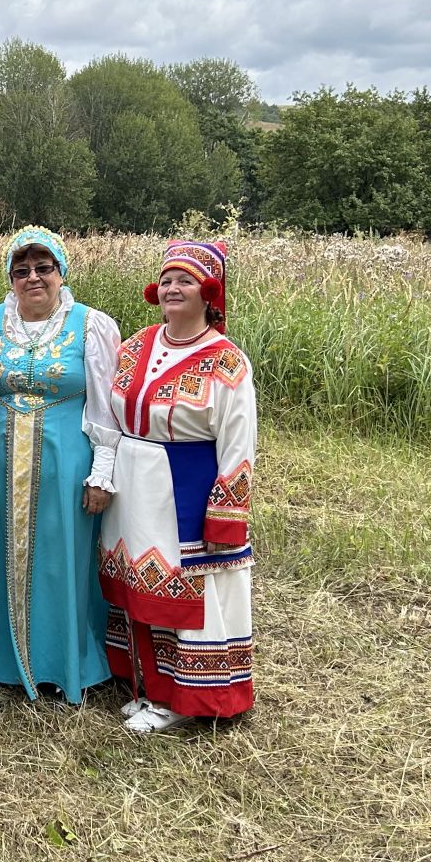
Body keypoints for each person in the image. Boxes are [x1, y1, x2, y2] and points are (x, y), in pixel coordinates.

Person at [99, 239, 256, 734]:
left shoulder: (226, 362)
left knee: (181, 590)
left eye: (184, 280)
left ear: (209, 292)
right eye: (166, 279)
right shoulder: (134, 346)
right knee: (135, 585)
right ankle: (146, 684)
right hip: (130, 484)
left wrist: (226, 517)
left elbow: (238, 444)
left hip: (183, 488)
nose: (172, 288)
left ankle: (181, 698)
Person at [0, 226, 122, 704]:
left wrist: (103, 470)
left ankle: (60, 661)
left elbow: (105, 406)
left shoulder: (92, 326)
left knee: (62, 562)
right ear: (10, 278)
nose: (33, 278)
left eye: (43, 268)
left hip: (66, 465)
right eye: (21, 271)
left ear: (61, 272)